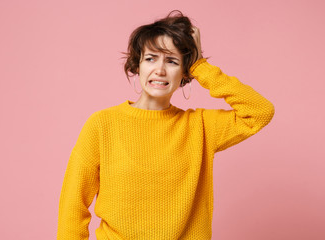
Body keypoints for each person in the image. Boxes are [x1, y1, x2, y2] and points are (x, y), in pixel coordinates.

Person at [56, 10, 275, 240]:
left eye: (171, 61)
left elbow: (260, 112)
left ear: (184, 73)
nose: (160, 70)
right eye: (150, 58)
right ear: (137, 66)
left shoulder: (200, 126)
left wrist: (201, 66)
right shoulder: (102, 124)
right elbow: (73, 203)